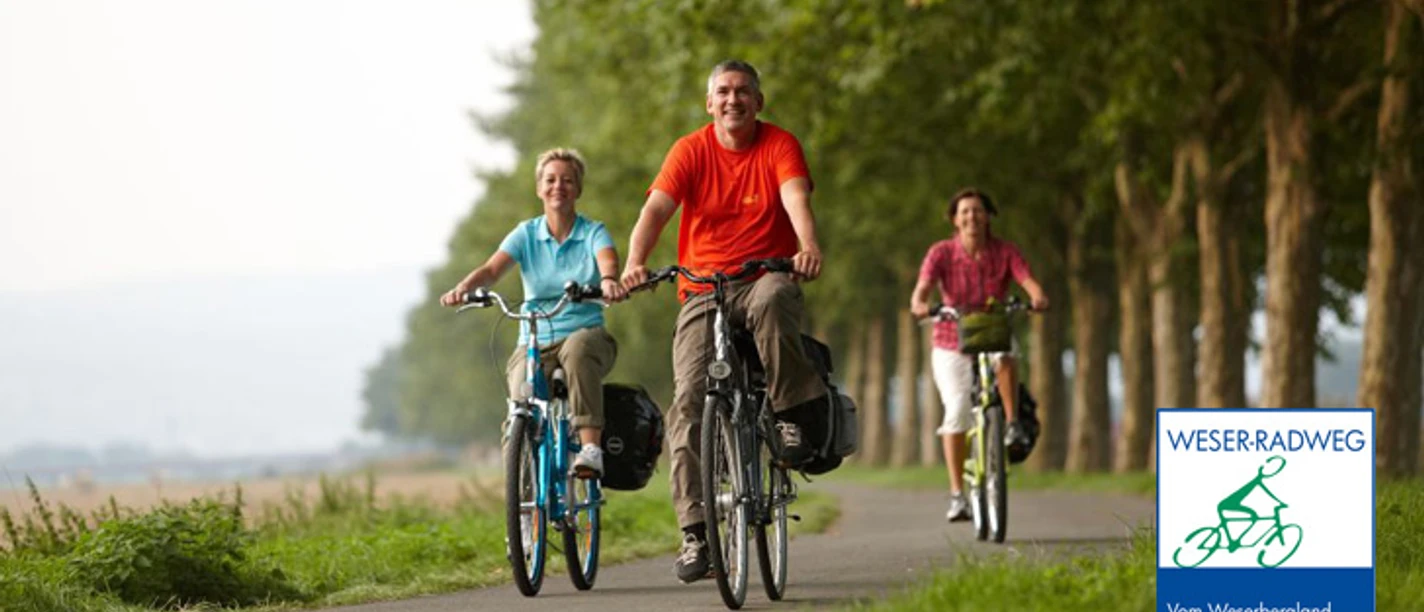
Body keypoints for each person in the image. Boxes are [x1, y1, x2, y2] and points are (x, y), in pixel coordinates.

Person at [620, 60, 827, 584]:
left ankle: (787, 414)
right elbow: (656, 211)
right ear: (709, 103)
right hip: (701, 287)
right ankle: (695, 532)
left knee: (778, 296)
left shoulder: (779, 144)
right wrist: (634, 263)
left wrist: (807, 246)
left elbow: (794, 197)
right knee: (688, 400)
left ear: (758, 101)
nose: (732, 100)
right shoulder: (690, 150)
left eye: (742, 92)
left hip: (764, 276)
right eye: (723, 92)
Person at [440, 148, 627, 478]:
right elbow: (491, 269)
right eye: (551, 180)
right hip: (535, 339)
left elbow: (607, 260)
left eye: (567, 180)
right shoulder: (526, 234)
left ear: (578, 189)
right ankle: (522, 498)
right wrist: (464, 288)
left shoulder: (593, 232)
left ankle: (590, 449)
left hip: (585, 334)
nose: (559, 187)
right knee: (519, 401)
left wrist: (609, 280)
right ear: (539, 188)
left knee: (579, 350)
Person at [909, 188, 1049, 523]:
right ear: (955, 220)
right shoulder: (940, 253)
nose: (972, 216)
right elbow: (921, 293)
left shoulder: (1005, 252)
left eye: (978, 211)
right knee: (957, 409)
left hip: (993, 331)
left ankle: (1012, 424)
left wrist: (1037, 297)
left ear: (988, 216)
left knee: (1005, 357)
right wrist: (921, 307)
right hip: (950, 340)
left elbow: (1028, 281)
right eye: (965, 212)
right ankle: (958, 495)